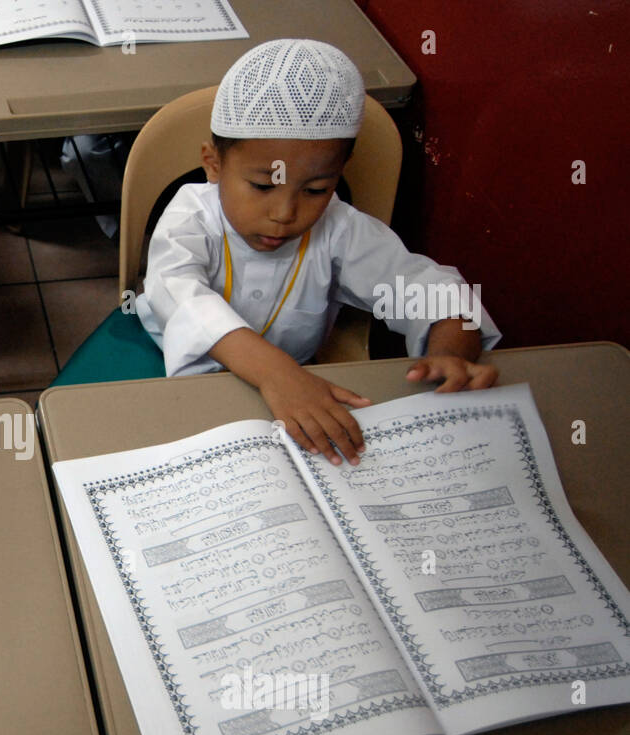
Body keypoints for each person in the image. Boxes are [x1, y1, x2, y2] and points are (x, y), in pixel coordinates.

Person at [135, 38, 501, 466]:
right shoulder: (190, 217)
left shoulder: (338, 228)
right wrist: (277, 374)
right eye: (262, 186)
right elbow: (178, 295)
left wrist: (452, 353)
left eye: (315, 190)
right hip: (159, 355)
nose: (285, 213)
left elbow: (428, 288)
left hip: (294, 381)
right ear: (213, 164)